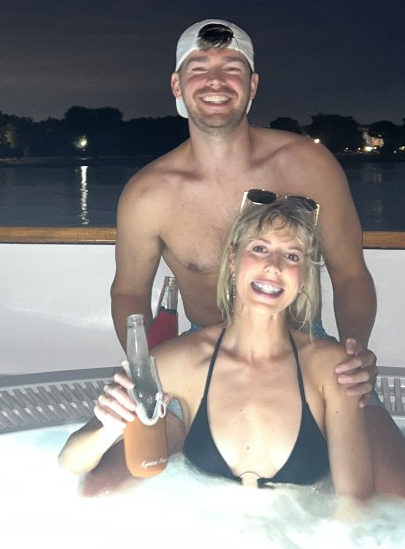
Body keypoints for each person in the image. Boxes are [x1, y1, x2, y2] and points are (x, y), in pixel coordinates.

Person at [110, 18, 405, 499]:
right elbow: (129, 291)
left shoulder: (308, 165)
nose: (216, 81)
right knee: (101, 490)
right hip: (199, 358)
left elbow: (350, 273)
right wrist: (147, 373)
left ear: (253, 84)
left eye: (232, 67)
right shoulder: (149, 193)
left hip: (308, 346)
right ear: (177, 85)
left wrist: (354, 349)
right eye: (199, 68)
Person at [60, 197, 375, 501]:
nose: (274, 266)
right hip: (211, 537)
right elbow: (70, 461)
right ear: (234, 259)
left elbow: (354, 504)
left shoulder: (332, 367)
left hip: (303, 537)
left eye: (292, 256)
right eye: (260, 249)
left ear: (304, 275)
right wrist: (109, 428)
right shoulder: (178, 360)